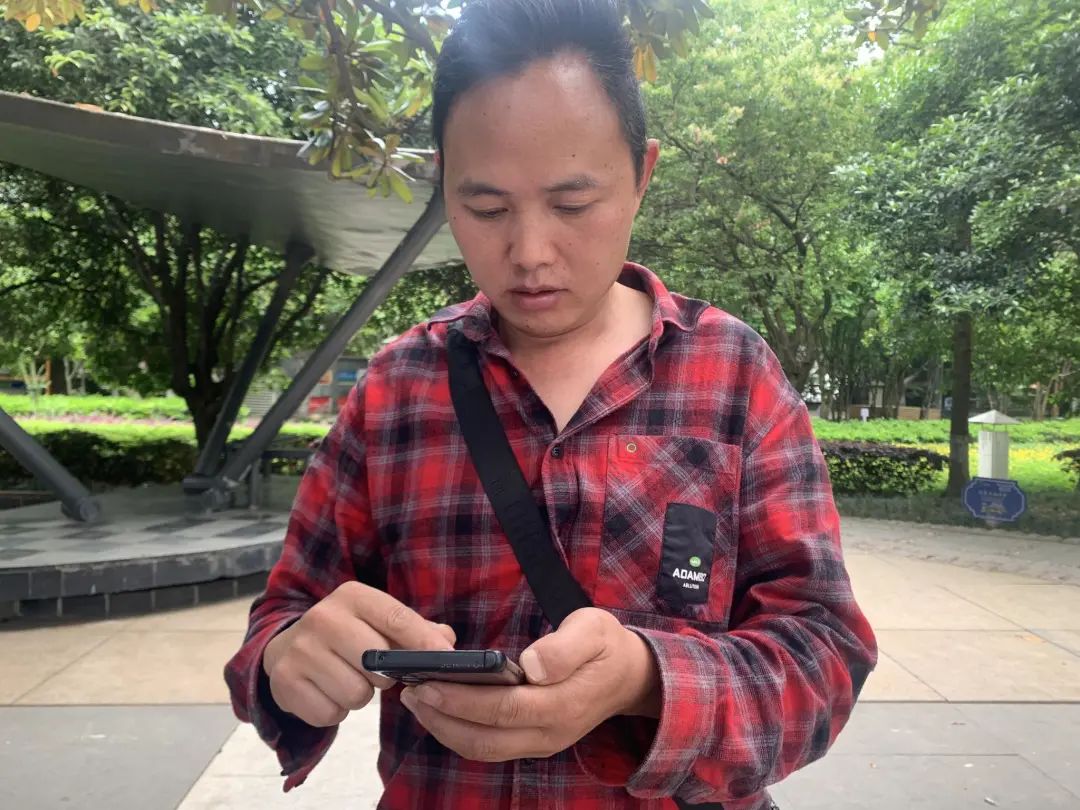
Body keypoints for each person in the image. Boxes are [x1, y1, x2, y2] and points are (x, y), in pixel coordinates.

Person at [224, 1, 878, 808]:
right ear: (444, 183)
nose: (529, 253)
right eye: (487, 209)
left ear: (642, 175)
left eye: (572, 204)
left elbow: (824, 656)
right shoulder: (396, 391)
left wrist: (646, 679)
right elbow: (280, 620)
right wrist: (287, 660)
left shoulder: (734, 376)